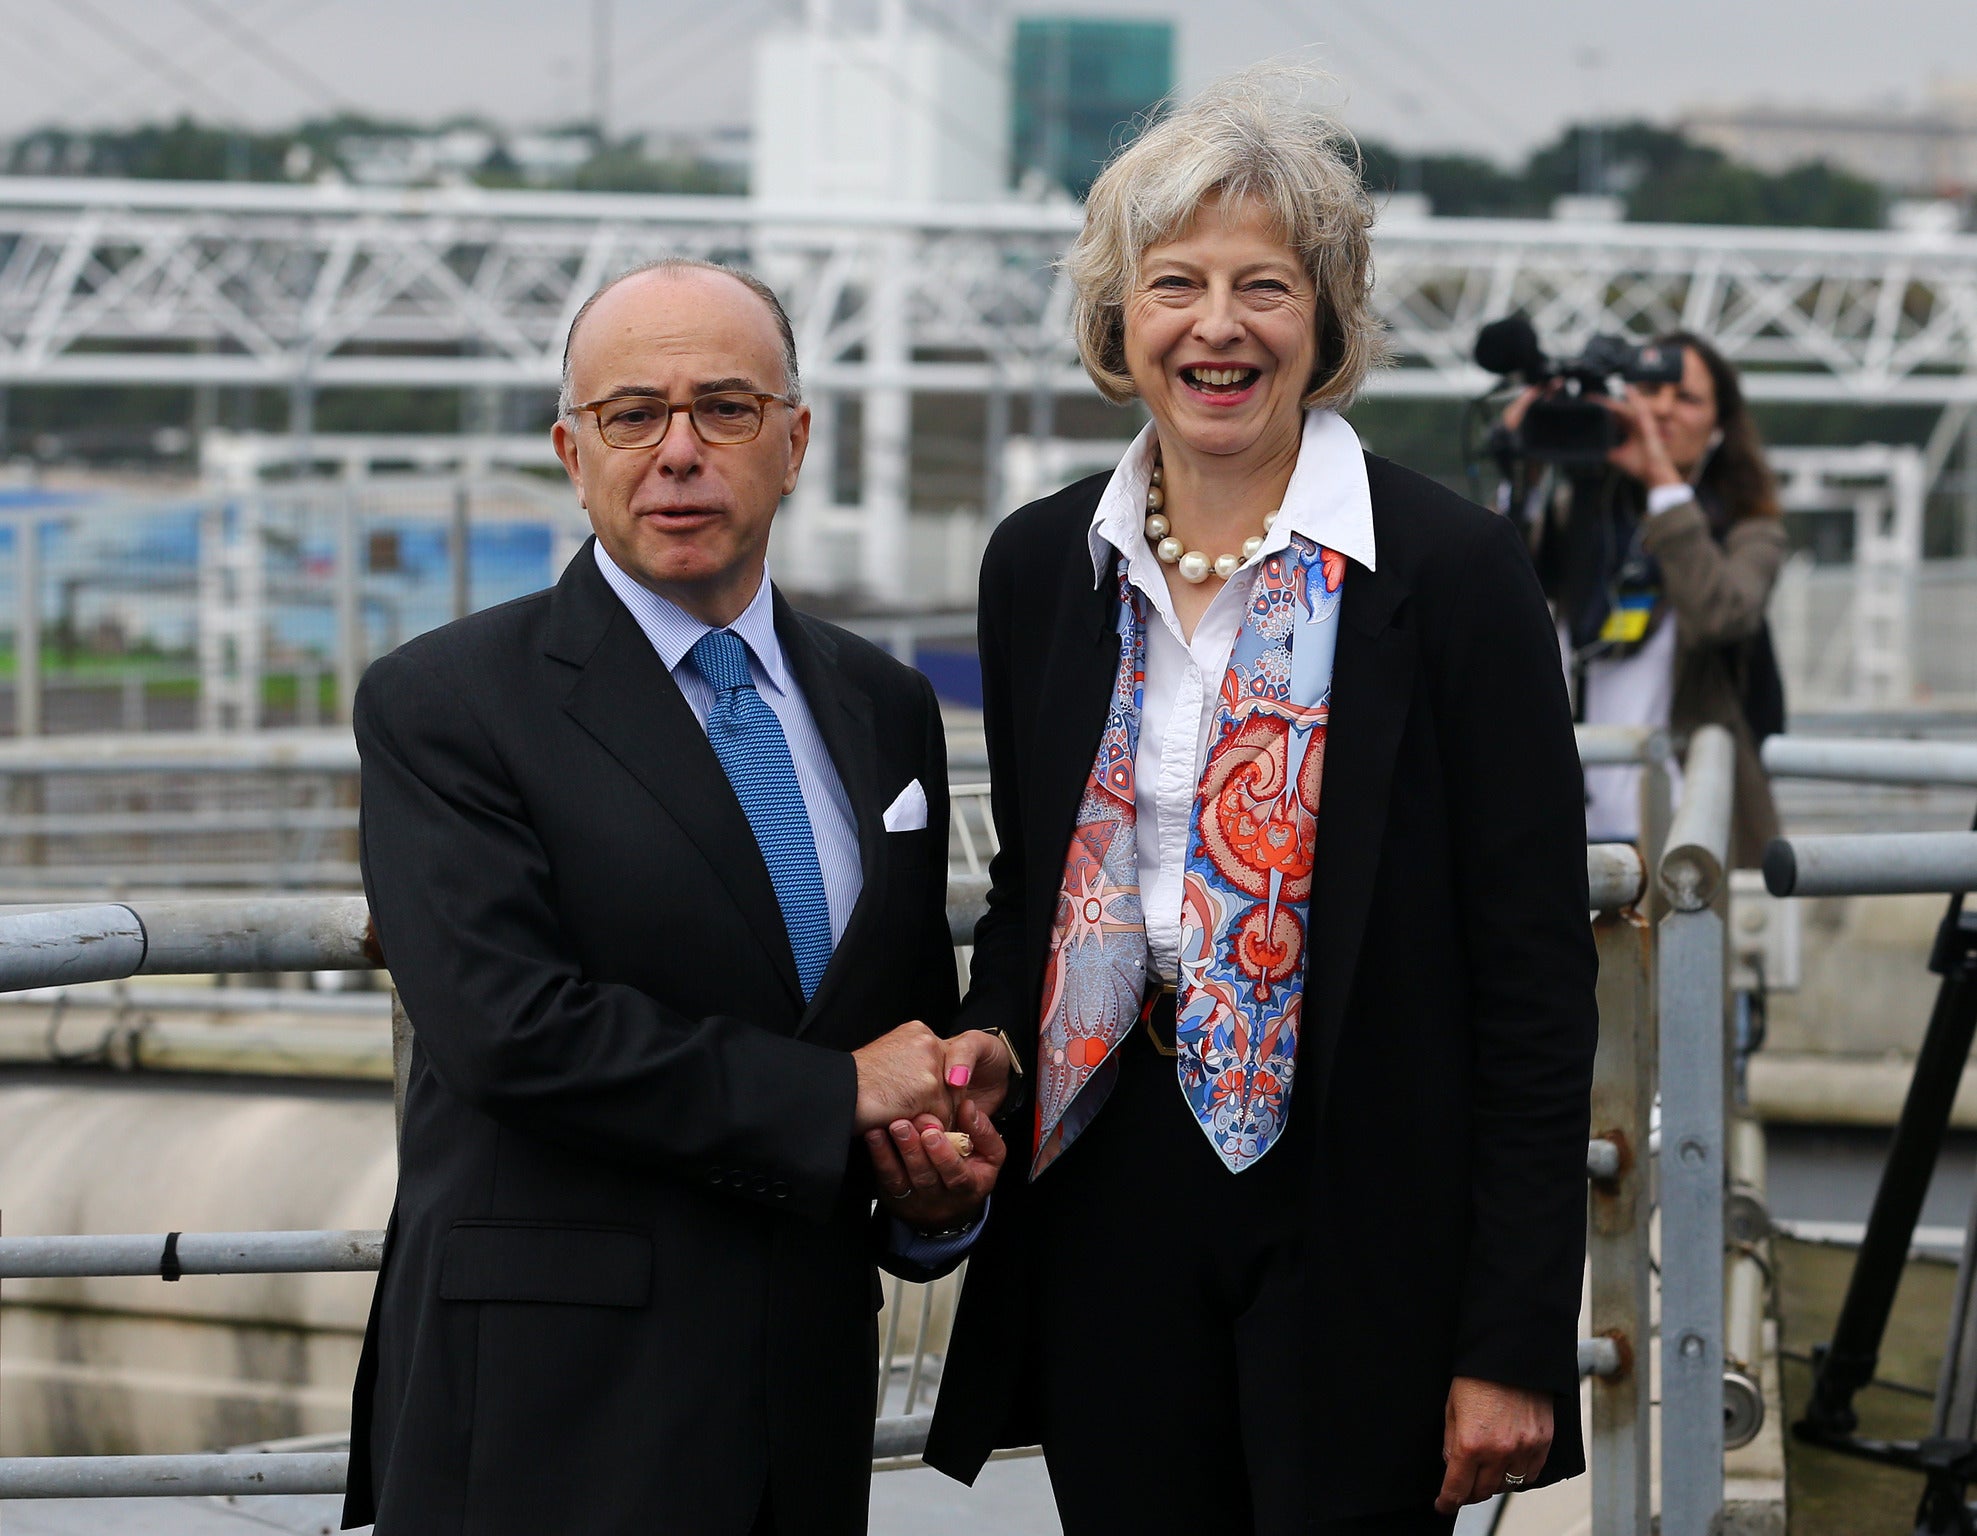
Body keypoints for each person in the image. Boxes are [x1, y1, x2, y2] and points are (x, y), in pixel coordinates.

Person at [913, 71, 1600, 1535]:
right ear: (1119, 320)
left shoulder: (1455, 574)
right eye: (1173, 285)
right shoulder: (1044, 565)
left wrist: (1512, 1337)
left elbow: (1537, 977)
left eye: (1263, 287)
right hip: (1108, 1182)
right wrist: (978, 1046)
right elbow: (1036, 893)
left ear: (1326, 318)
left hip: (1364, 1207)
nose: (1215, 327)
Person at [341, 257, 1008, 1536]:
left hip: (804, 1405)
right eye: (633, 414)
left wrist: (923, 1185)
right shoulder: (447, 702)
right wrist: (839, 1096)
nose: (679, 451)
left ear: (797, 439)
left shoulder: (885, 708)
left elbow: (893, 1025)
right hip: (552, 1409)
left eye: (727, 409)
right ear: (570, 450)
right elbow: (505, 1027)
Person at [1502, 332, 1790, 866]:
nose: (1661, 409)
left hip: (1683, 832)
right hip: (1568, 827)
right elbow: (1494, 607)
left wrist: (1661, 480)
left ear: (1720, 428)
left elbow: (1718, 615)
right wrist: (1525, 469)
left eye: (1687, 399)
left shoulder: (1749, 533)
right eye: (1648, 390)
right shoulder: (1581, 515)